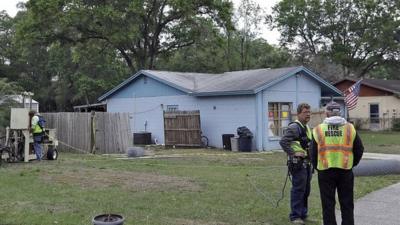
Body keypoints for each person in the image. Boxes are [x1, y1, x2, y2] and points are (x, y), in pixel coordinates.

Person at [311, 101, 364, 225]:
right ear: (339, 112)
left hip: (325, 170)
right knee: (347, 203)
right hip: (345, 170)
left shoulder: (318, 129)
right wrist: (351, 163)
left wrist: (317, 166)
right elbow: (359, 149)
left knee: (327, 204)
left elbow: (313, 153)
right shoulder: (350, 128)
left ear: (326, 113)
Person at [279, 103, 312, 225]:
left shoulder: (307, 127)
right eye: (305, 112)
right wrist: (293, 154)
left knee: (306, 190)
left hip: (307, 164)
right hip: (298, 164)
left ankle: (303, 214)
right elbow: (283, 142)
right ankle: (295, 216)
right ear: (298, 114)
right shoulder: (294, 127)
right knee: (298, 190)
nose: (308, 114)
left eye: (309, 112)